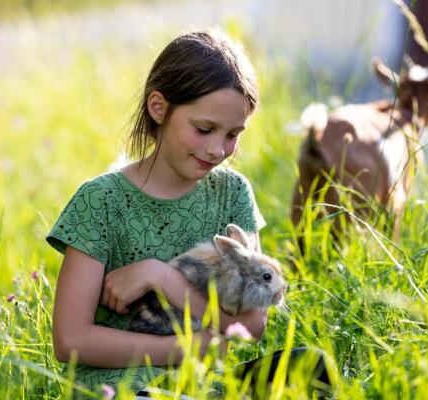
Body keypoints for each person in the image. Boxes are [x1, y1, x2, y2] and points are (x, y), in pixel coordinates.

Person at [47, 28, 331, 398]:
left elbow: (250, 324)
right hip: (121, 387)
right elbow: (70, 340)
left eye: (232, 134)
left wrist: (160, 277)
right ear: (158, 108)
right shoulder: (100, 201)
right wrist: (186, 349)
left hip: (206, 384)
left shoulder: (232, 193)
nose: (217, 149)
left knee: (312, 365)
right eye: (204, 129)